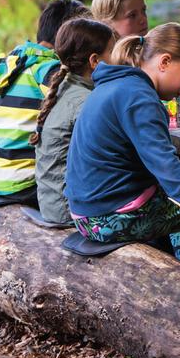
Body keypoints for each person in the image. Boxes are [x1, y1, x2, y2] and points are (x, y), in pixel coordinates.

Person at [65, 22, 180, 272]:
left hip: (87, 214)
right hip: (111, 218)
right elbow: (164, 162)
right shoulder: (140, 97)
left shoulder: (116, 85)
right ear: (164, 62)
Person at [0, 0, 89, 197]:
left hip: (1, 175)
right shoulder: (48, 71)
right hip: (29, 181)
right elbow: (83, 107)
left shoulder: (17, 64)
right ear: (71, 37)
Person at [31, 18, 116, 225]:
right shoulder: (85, 101)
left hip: (52, 203)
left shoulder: (65, 87)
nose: (119, 59)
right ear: (95, 61)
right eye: (113, 52)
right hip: (69, 210)